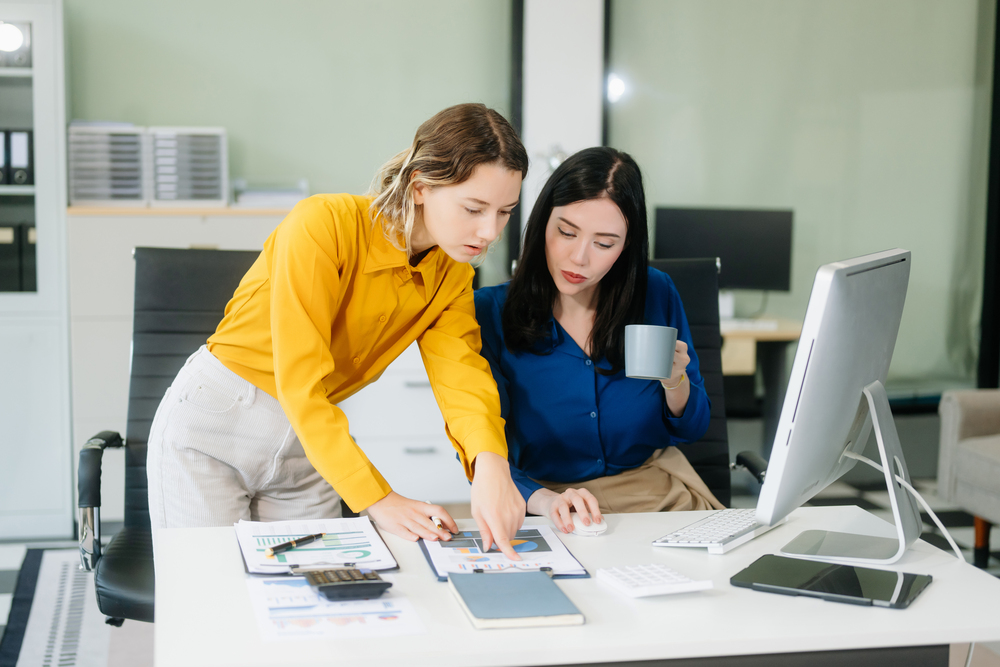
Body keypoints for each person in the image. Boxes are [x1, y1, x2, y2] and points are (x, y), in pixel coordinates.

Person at [147, 103, 527, 558]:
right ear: (421, 186)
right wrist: (379, 499)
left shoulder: (452, 274)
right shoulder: (321, 225)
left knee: (318, 598)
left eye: (505, 212)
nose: (490, 231)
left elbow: (461, 373)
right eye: (474, 208)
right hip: (216, 427)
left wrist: (491, 464)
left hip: (307, 446)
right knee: (212, 597)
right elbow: (300, 379)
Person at [474, 146, 724, 535]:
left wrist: (676, 382)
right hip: (552, 505)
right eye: (566, 232)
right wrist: (541, 498)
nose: (578, 258)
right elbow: (481, 450)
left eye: (604, 244)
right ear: (542, 222)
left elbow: (693, 429)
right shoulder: (490, 312)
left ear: (626, 248)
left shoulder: (655, 293)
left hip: (655, 497)